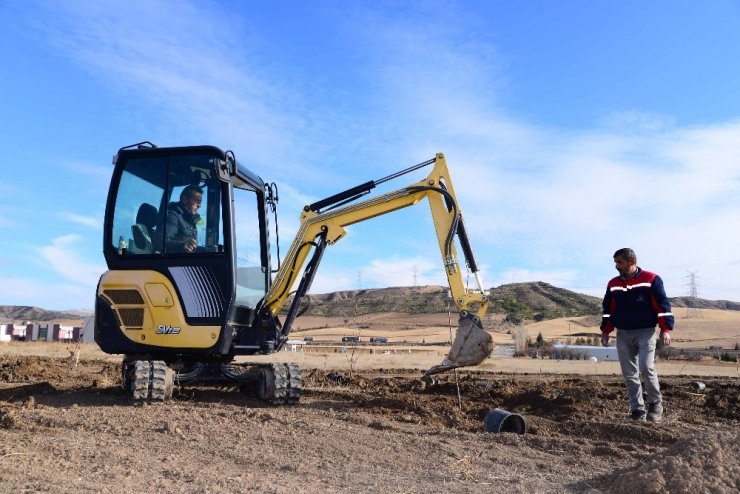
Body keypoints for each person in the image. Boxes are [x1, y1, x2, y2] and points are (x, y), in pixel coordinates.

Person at [600, 248, 674, 422]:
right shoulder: (613, 284)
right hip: (623, 333)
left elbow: (663, 306)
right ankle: (637, 410)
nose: (617, 266)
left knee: (646, 367)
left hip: (645, 331)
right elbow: (608, 310)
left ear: (631, 261)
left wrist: (665, 329)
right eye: (615, 262)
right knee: (629, 374)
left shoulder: (651, 279)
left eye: (620, 262)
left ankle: (656, 404)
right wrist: (605, 331)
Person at [165, 185, 203, 253]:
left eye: (200, 202)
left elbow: (193, 248)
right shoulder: (173, 216)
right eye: (197, 201)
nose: (199, 205)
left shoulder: (190, 220)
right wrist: (182, 246)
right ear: (184, 199)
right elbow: (162, 242)